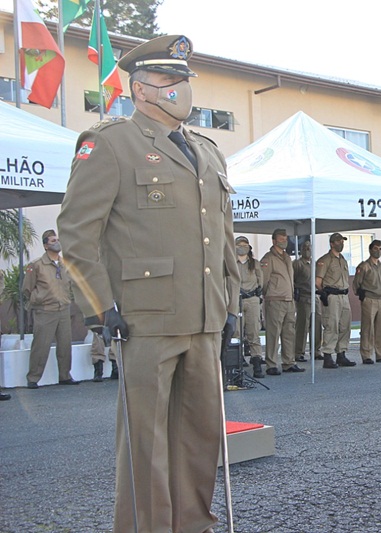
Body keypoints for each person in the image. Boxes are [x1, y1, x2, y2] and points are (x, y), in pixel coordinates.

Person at [57, 35, 240, 532]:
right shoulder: (111, 143)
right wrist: (100, 308)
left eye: (184, 80)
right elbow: (76, 234)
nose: (182, 88)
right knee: (146, 444)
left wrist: (231, 306)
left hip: (204, 318)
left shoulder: (207, 149)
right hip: (143, 321)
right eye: (170, 80)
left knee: (201, 438)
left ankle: (191, 524)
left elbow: (221, 234)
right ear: (141, 89)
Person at [23, 230, 78, 388]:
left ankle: (65, 375)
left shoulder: (64, 264)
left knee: (65, 345)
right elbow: (27, 288)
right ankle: (33, 378)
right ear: (46, 245)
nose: (57, 242)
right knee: (41, 345)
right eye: (53, 240)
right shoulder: (36, 265)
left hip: (63, 309)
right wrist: (38, 299)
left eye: (58, 239)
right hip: (45, 310)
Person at [260, 229, 303, 375]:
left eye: (285, 238)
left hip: (289, 300)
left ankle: (289, 362)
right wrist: (270, 294)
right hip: (275, 300)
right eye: (281, 239)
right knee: (273, 333)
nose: (284, 241)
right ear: (274, 241)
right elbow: (263, 281)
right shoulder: (268, 258)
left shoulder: (287, 258)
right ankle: (271, 364)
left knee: (289, 332)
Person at [316, 233, 356, 369]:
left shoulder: (343, 260)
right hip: (332, 296)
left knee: (345, 325)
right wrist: (323, 293)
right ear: (332, 243)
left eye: (342, 241)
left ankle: (341, 354)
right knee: (331, 325)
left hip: (344, 295)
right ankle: (327, 355)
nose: (341, 243)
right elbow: (318, 281)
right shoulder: (325, 260)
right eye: (338, 241)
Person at [353, 240, 381, 364]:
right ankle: (366, 355)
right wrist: (362, 296)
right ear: (370, 250)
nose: (378, 251)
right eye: (375, 248)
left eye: (380, 249)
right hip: (369, 299)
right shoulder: (364, 266)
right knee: (367, 328)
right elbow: (356, 284)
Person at [236, 236, 265, 378]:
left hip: (252, 299)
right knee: (235, 333)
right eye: (239, 245)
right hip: (236, 300)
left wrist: (256, 293)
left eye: (245, 245)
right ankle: (236, 362)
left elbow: (261, 281)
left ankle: (257, 362)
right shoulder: (230, 263)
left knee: (253, 332)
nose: (242, 247)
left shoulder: (255, 264)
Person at [293, 240, 322, 362]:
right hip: (304, 297)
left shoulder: (314, 264)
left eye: (309, 248)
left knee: (316, 325)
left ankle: (316, 351)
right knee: (302, 326)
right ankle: (299, 352)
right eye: (304, 248)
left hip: (315, 297)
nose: (307, 250)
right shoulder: (297, 264)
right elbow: (292, 279)